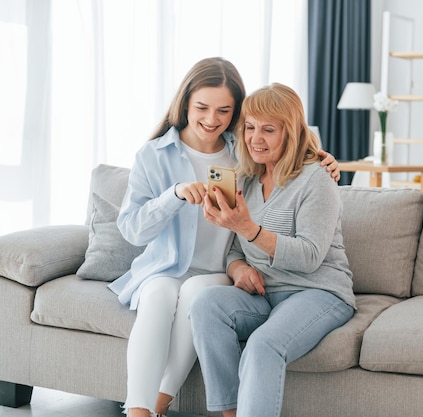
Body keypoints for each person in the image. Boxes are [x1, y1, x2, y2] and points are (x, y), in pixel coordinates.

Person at [108, 58, 340, 417]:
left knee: (215, 309)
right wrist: (176, 197)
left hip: (260, 279)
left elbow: (287, 146)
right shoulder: (176, 158)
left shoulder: (249, 157)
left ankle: (161, 402)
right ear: (185, 103)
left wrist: (321, 159)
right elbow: (138, 230)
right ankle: (142, 410)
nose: (212, 119)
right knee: (169, 298)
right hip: (191, 272)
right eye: (202, 107)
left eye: (224, 111)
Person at [189, 83, 356, 417]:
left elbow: (309, 257)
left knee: (264, 345)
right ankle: (232, 412)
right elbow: (234, 250)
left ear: (291, 133)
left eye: (268, 130)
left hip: (319, 292)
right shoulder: (247, 181)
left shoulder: (316, 179)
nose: (255, 139)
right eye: (249, 128)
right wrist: (239, 270)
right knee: (206, 304)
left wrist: (249, 228)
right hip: (265, 293)